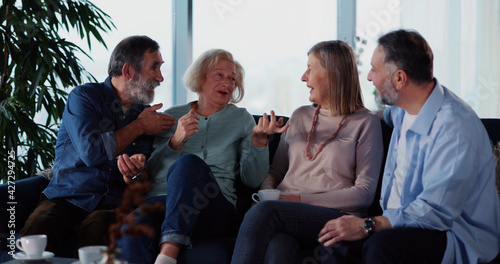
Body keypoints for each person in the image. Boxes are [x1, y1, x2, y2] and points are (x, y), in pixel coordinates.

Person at [317, 29, 500, 264]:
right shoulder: (404, 108)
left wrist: (368, 225)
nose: (369, 77)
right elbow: (384, 115)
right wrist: (351, 119)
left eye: (374, 69)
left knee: (381, 247)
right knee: (335, 242)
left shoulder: (454, 129)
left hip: (455, 236)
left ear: (399, 79)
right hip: (403, 222)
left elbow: (435, 212)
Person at [115, 49, 288, 264]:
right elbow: (151, 173)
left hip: (212, 206)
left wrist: (259, 141)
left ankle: (168, 254)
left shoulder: (242, 119)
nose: (227, 82)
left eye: (232, 78)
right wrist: (175, 142)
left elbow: (252, 180)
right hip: (163, 201)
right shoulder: (171, 116)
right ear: (200, 78)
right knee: (134, 227)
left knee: (189, 164)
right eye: (219, 75)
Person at [20, 35, 176, 258]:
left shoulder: (144, 114)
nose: (160, 77)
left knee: (100, 233)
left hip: (111, 204)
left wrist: (134, 173)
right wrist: (140, 126)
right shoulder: (83, 97)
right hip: (66, 195)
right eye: (154, 67)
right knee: (38, 232)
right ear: (128, 71)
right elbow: (92, 152)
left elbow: (139, 181)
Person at [230, 40, 384, 264]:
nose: (304, 77)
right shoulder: (299, 115)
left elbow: (364, 193)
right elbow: (275, 173)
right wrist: (267, 195)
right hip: (283, 211)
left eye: (310, 69)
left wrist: (297, 200)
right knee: (278, 249)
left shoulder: (366, 122)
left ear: (333, 73)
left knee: (263, 213)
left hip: (333, 214)